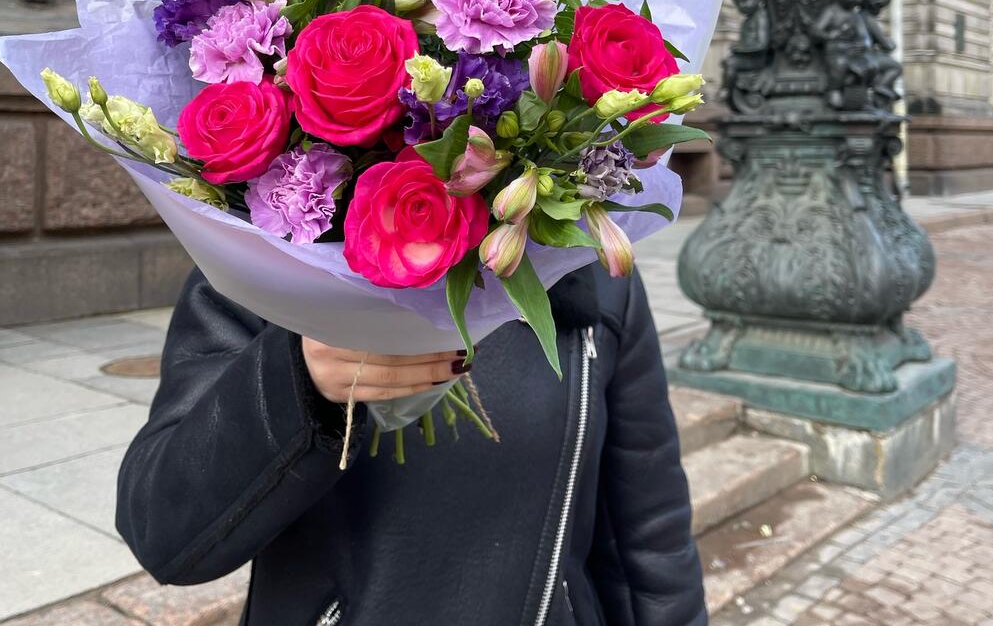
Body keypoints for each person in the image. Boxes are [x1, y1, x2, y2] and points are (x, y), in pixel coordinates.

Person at [116, 263, 707, 626]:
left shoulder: (591, 269)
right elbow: (163, 528)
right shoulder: (264, 250)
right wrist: (296, 377)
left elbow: (647, 536)